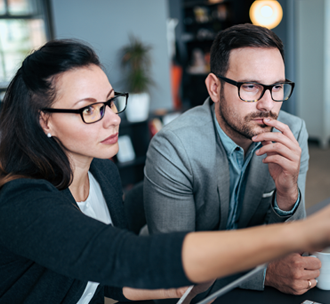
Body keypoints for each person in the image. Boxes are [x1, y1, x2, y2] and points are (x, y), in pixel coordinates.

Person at [0, 39, 329, 304]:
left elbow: (108, 281)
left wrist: (176, 286)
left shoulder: (103, 174)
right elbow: (121, 257)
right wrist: (300, 233)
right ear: (46, 120)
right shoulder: (23, 202)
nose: (113, 118)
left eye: (111, 101)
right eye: (89, 109)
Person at [144, 23, 317, 296]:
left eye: (277, 87)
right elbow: (176, 263)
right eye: (250, 86)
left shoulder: (292, 134)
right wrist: (266, 273)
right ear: (214, 87)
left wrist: (287, 192)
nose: (268, 105)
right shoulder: (175, 146)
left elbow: (294, 250)